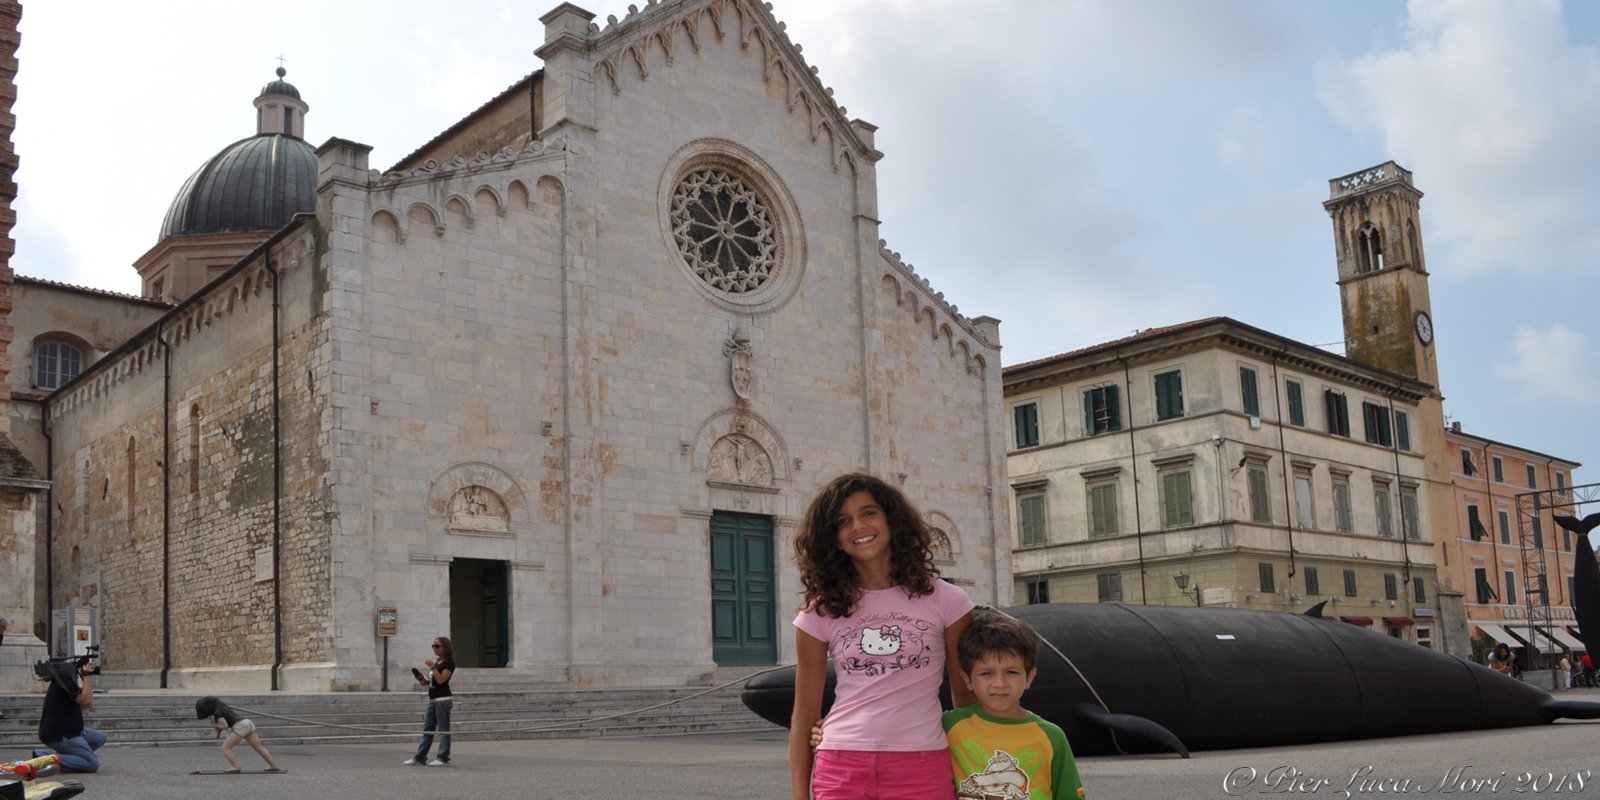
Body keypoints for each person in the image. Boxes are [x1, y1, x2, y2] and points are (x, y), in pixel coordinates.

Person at [790, 472, 976, 800]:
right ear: (832, 538)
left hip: (921, 765)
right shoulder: (818, 613)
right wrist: (799, 796)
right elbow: (804, 713)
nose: (858, 527)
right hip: (840, 764)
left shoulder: (949, 602)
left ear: (892, 520)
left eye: (869, 513)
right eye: (842, 521)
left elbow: (965, 699)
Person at [943, 611, 1086, 800]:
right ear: (967, 679)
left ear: (1029, 677)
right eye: (986, 673)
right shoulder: (949, 726)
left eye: (1011, 672)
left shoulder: (1051, 736)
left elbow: (1069, 795)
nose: (1000, 683)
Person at [35, 657, 105, 773]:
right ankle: (45, 757)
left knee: (99, 738)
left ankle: (71, 759)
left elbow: (87, 704)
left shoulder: (66, 682)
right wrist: (87, 677)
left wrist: (85, 680)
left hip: (71, 729)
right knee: (92, 764)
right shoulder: (65, 681)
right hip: (61, 733)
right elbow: (86, 701)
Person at [403, 636, 455, 767]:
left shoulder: (449, 663)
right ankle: (420, 757)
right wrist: (423, 681)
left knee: (443, 730)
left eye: (437, 646)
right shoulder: (438, 663)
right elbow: (434, 681)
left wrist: (432, 667)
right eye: (433, 646)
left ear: (445, 647)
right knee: (428, 729)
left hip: (443, 700)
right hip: (433, 699)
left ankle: (443, 757)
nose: (434, 648)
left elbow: (442, 679)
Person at [195, 696, 282, 773]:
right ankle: (273, 766)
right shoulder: (223, 707)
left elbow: (225, 726)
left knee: (226, 747)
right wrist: (217, 729)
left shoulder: (217, 713)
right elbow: (222, 726)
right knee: (258, 747)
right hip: (247, 723)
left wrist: (215, 725)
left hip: (240, 726)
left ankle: (235, 767)